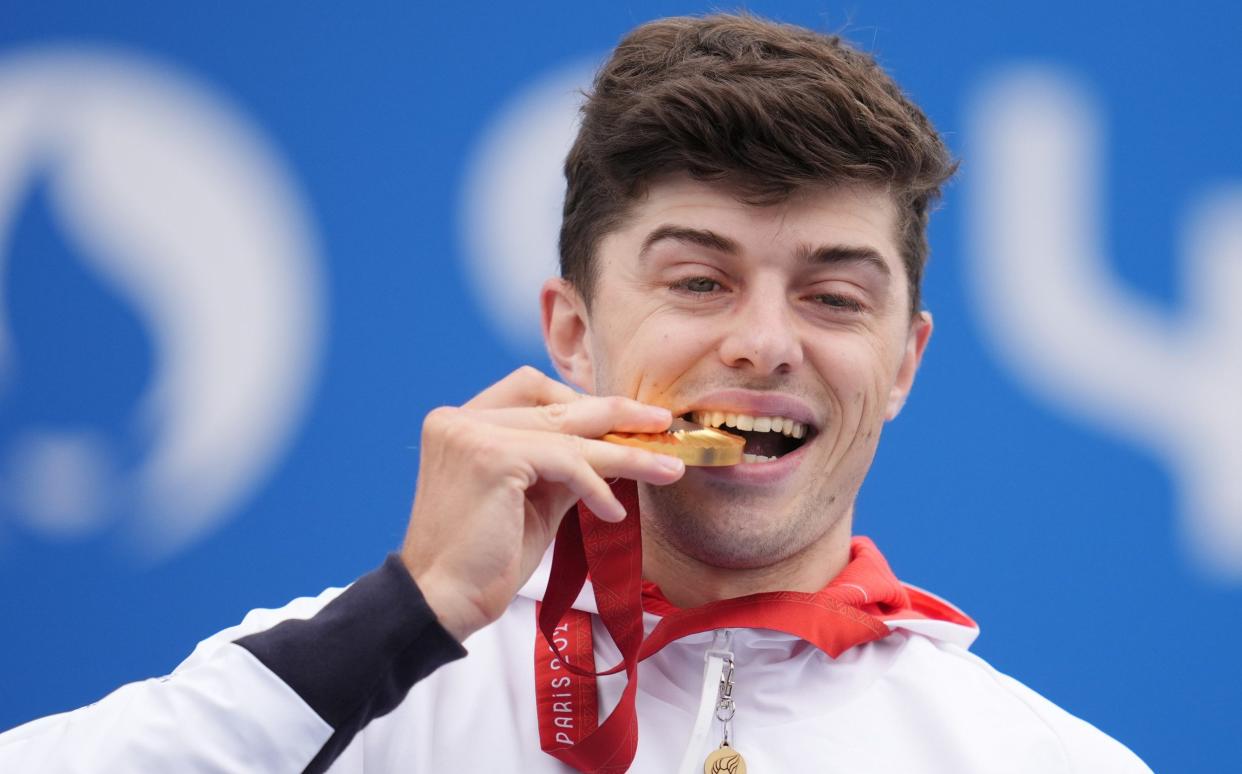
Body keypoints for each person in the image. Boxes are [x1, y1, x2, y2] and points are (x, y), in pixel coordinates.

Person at [0, 12, 1150, 773]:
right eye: (699, 280)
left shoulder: (1038, 759)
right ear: (574, 335)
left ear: (903, 363)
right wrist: (412, 610)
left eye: (835, 298)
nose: (762, 342)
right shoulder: (357, 690)